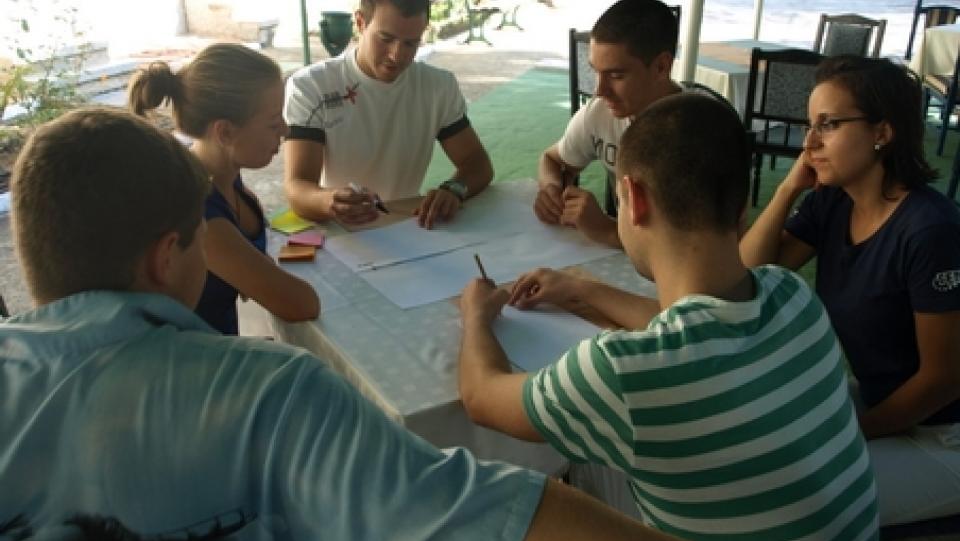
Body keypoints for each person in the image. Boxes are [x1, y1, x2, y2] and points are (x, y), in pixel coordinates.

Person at [0, 107, 887, 541]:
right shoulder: (788, 302)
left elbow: (496, 407)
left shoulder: (634, 370)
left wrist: (529, 306)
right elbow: (480, 505)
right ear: (167, 255)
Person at [459, 93, 879, 541]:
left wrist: (476, 316)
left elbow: (481, 397)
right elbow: (702, 328)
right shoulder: (793, 295)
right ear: (741, 204)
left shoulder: (622, 372)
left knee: (513, 532)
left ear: (633, 200)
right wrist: (584, 290)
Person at [740, 56, 960, 527]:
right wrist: (787, 191)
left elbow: (944, 379)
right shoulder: (834, 201)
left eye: (829, 125)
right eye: (809, 126)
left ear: (882, 131)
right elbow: (750, 272)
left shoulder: (930, 231)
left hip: (945, 434)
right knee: (762, 436)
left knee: (799, 497)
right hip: (887, 404)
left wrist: (853, 433)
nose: (809, 143)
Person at [129, 43, 319, 335]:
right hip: (194, 368)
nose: (285, 130)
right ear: (225, 132)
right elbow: (301, 303)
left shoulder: (227, 182)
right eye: (272, 123)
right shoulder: (197, 211)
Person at [284, 0, 493, 230]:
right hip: (341, 232)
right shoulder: (312, 85)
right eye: (385, 39)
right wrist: (331, 201)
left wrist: (454, 188)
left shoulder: (438, 86)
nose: (397, 55)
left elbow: (477, 163)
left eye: (411, 43)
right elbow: (297, 187)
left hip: (408, 225)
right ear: (361, 23)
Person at [535, 0, 719, 248]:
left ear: (661, 67)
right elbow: (553, 160)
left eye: (616, 75)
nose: (600, 91)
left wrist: (607, 230)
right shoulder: (600, 113)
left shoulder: (702, 132)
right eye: (595, 72)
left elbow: (700, 247)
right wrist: (552, 189)